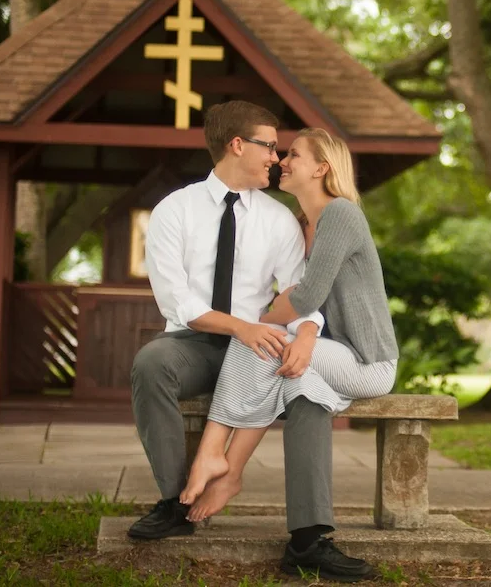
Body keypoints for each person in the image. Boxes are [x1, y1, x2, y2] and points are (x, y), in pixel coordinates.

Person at [127, 103, 362, 582]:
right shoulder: (175, 210)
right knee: (151, 363)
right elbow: (177, 302)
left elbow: (300, 293)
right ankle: (176, 503)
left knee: (308, 390)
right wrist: (241, 327)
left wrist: (306, 335)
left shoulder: (278, 220)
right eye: (269, 146)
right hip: (194, 344)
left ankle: (308, 538)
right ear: (237, 145)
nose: (276, 157)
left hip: (259, 351)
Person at [178, 127, 399, 583]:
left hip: (367, 363)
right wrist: (287, 319)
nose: (282, 160)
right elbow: (297, 302)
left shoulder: (341, 214)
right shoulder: (303, 224)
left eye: (294, 154)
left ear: (321, 168)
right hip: (326, 357)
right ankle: (305, 542)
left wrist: (270, 317)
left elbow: (304, 298)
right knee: (295, 383)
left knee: (259, 337)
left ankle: (216, 455)